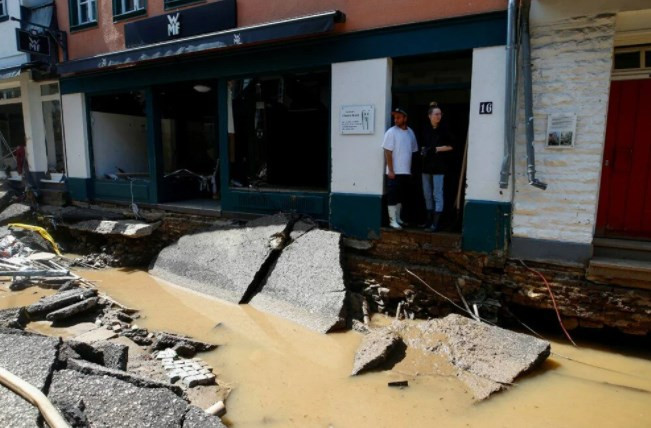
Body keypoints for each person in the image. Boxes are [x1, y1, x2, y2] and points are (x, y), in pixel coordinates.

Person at [420, 101, 453, 232]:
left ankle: (436, 223)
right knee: (427, 194)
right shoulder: (425, 129)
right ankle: (428, 221)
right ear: (429, 116)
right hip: (426, 166)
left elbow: (451, 146)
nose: (439, 116)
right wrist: (424, 150)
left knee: (437, 194)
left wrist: (436, 149)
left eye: (440, 114)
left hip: (439, 167)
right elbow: (421, 146)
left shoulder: (444, 130)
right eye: (436, 114)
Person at [382, 107, 418, 229]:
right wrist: (391, 170)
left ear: (405, 118)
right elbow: (387, 151)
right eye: (395, 117)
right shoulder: (391, 132)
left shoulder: (410, 133)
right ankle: (392, 220)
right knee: (392, 195)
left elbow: (413, 151)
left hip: (405, 172)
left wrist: (411, 170)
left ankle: (398, 218)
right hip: (394, 172)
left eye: (398, 117)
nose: (396, 120)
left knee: (401, 196)